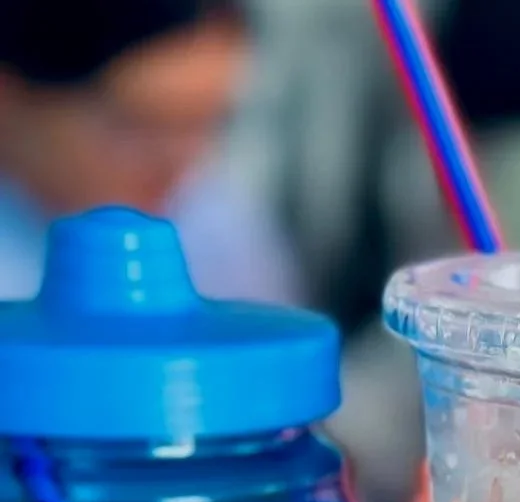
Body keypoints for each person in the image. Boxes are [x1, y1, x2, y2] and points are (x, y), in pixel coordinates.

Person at [0, 0, 298, 303]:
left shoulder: (216, 222)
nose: (178, 165)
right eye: (135, 126)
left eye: (206, 124)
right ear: (8, 99)